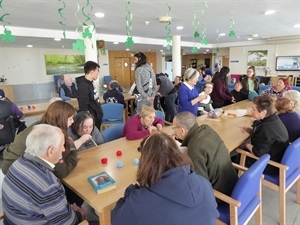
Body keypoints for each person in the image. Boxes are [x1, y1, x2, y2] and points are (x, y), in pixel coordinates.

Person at [111, 132, 219, 225]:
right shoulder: (204, 184)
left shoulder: (141, 202)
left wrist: (133, 189)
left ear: (146, 161)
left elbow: (116, 219)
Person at [2, 124, 88, 225]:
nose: (64, 150)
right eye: (62, 145)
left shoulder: (17, 163)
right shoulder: (48, 184)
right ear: (50, 151)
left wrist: (67, 208)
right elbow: (68, 223)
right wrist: (78, 214)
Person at [2, 100, 83, 206]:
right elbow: (61, 171)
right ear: (61, 119)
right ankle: (67, 210)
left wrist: (63, 143)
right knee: (75, 190)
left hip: (11, 165)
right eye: (70, 118)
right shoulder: (50, 138)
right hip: (15, 171)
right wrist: (73, 153)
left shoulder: (44, 125)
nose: (72, 122)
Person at [172, 112, 238, 198]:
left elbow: (200, 184)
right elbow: (195, 140)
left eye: (174, 128)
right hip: (232, 182)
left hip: (221, 195)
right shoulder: (206, 129)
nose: (173, 131)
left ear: (182, 130)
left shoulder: (194, 148)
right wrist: (178, 139)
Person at [237, 96, 289, 174]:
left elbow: (259, 153)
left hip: (268, 165)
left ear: (264, 112)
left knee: (232, 159)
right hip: (275, 155)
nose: (251, 111)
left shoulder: (266, 128)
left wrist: (246, 144)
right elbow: (267, 137)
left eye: (254, 109)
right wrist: (250, 130)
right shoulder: (273, 119)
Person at [77, 61, 103, 129]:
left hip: (96, 117)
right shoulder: (83, 86)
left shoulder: (90, 83)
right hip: (91, 119)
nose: (98, 73)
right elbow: (83, 107)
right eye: (97, 71)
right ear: (92, 72)